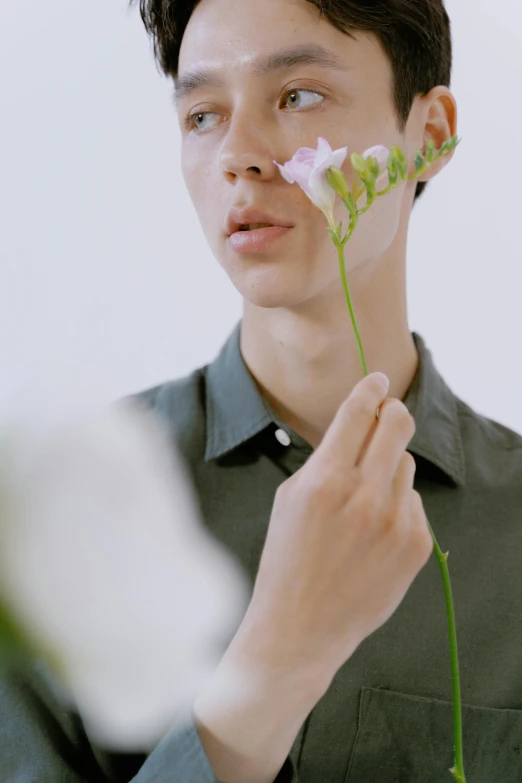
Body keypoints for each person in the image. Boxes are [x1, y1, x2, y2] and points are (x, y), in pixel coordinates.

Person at [2, 0, 522, 781]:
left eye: (298, 96)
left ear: (433, 133)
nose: (239, 154)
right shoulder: (52, 515)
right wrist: (279, 659)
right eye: (203, 114)